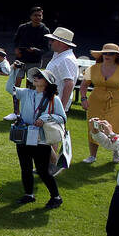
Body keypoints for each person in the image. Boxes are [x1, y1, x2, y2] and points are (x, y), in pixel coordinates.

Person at [8, 68, 65, 209]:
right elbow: (10, 88)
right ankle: (29, 195)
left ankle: (56, 197)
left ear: (47, 82)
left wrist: (45, 118)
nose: (36, 78)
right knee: (25, 167)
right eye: (36, 76)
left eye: (40, 77)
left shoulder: (54, 99)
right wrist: (14, 71)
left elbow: (62, 118)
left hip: (41, 139)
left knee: (42, 170)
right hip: (24, 135)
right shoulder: (27, 93)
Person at [80, 44, 119, 163]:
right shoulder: (92, 68)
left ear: (116, 56)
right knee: (93, 125)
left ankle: (117, 152)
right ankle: (92, 155)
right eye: (105, 53)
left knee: (117, 126)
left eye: (110, 53)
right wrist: (83, 99)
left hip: (117, 102)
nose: (107, 55)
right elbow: (84, 85)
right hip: (95, 101)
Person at [42, 26, 79, 173]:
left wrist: (61, 108)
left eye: (53, 40)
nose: (50, 42)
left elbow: (69, 83)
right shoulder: (60, 56)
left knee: (51, 135)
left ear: (62, 43)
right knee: (47, 135)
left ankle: (53, 165)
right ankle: (47, 165)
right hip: (49, 101)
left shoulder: (66, 59)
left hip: (55, 104)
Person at [4, 7, 50, 121]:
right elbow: (15, 40)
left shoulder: (45, 30)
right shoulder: (23, 27)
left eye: (40, 15)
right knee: (16, 86)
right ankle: (16, 112)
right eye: (35, 15)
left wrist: (35, 50)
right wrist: (16, 49)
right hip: (21, 60)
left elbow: (46, 49)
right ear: (31, 16)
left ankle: (28, 112)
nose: (38, 18)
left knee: (31, 88)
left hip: (34, 62)